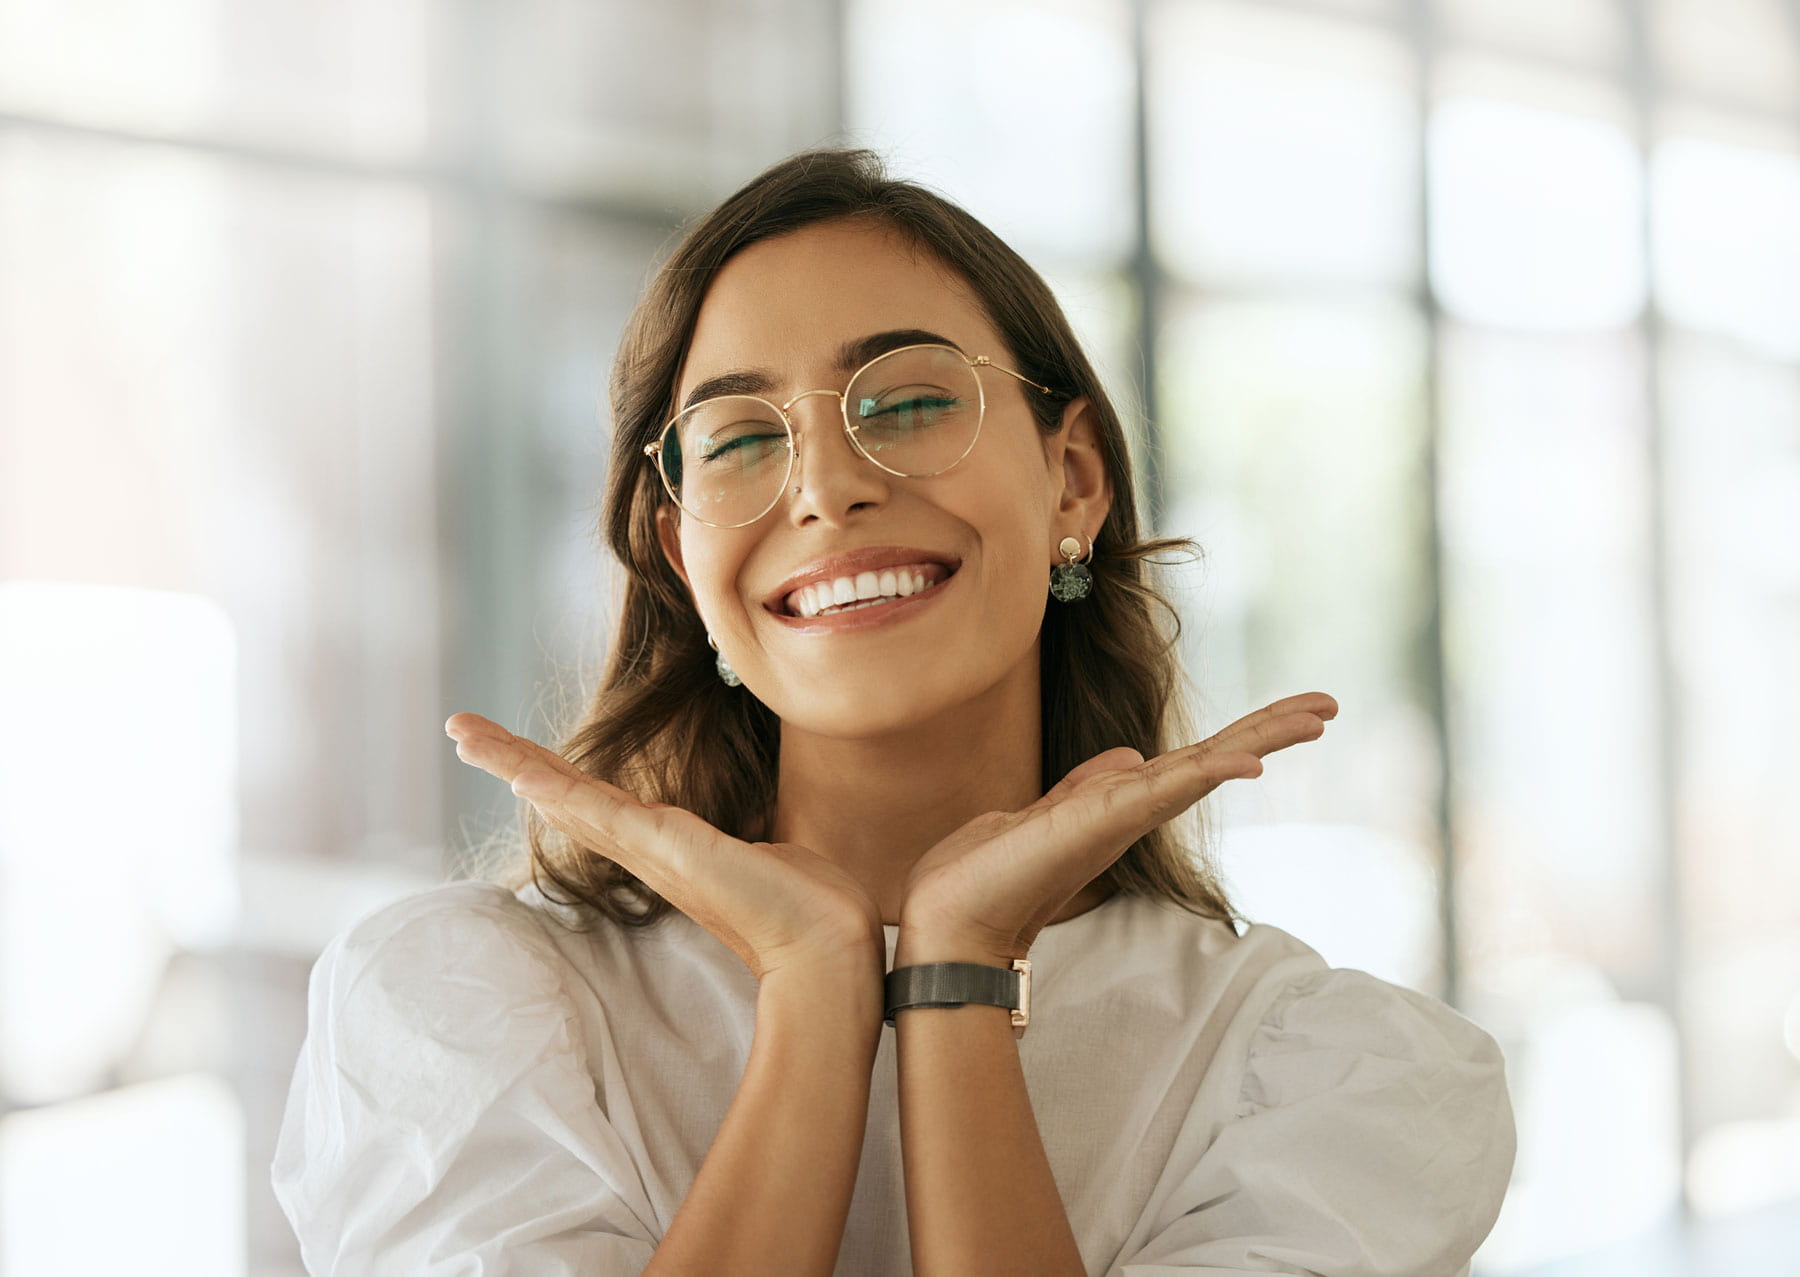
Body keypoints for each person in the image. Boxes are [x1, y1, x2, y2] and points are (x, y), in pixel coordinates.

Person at [271, 147, 1516, 1276]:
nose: (826, 486)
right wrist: (815, 985)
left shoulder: (1327, 1076)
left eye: (910, 402)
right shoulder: (460, 1012)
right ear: (679, 554)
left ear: (1071, 480)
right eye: (740, 438)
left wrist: (957, 972)